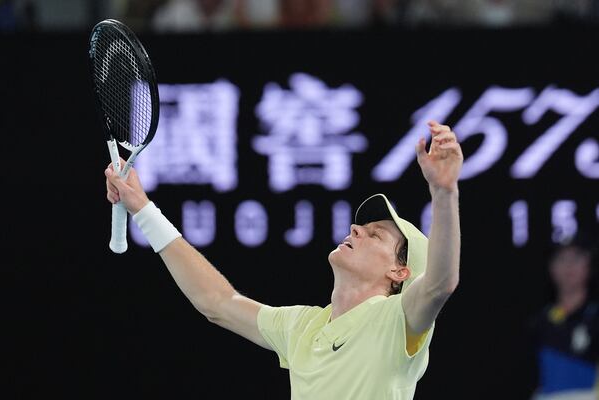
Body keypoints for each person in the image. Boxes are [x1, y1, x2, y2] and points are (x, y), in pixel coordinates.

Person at [104, 120, 463, 399]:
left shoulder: (398, 320)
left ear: (399, 271)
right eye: (362, 226)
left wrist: (444, 192)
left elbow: (439, 284)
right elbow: (217, 302)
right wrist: (143, 209)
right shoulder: (303, 326)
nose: (356, 229)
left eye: (375, 234)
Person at [529, 238, 599, 400]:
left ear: (589, 265)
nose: (569, 266)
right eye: (561, 258)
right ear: (551, 267)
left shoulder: (595, 318)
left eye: (576, 258)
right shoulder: (539, 322)